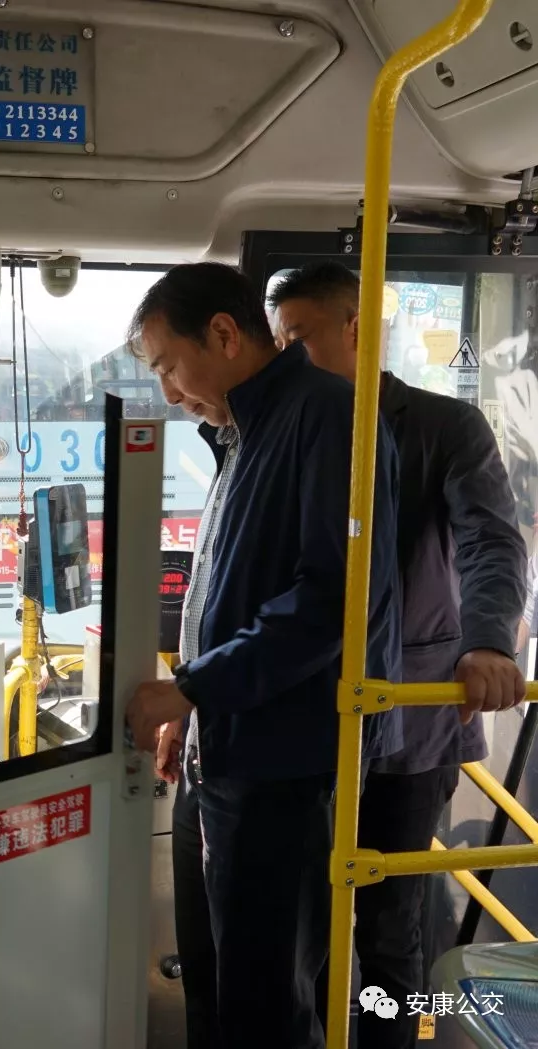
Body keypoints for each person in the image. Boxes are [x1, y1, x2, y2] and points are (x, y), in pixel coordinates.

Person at [124, 262, 403, 1049]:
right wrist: (195, 709)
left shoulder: (328, 418)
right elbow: (226, 588)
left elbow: (330, 601)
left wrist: (191, 687)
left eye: (168, 366)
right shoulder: (241, 432)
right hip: (222, 751)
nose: (169, 393)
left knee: (268, 1006)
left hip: (282, 772)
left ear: (223, 333)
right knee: (214, 988)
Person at [269, 261, 527, 1049]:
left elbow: (489, 542)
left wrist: (488, 640)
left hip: (408, 718)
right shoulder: (283, 429)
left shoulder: (445, 427)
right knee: (300, 922)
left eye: (299, 338)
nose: (286, 358)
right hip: (304, 718)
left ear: (356, 329)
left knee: (389, 926)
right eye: (277, 342)